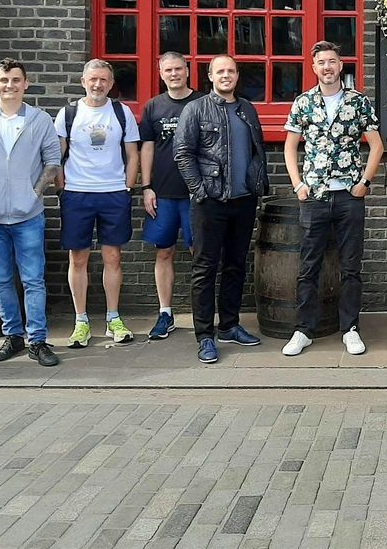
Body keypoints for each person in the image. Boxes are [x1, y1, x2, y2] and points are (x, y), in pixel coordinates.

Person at [281, 41, 384, 357]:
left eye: (332, 61)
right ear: (314, 68)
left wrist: (365, 182)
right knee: (308, 265)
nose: (327, 67)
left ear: (341, 65)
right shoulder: (303, 103)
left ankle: (350, 329)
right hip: (314, 196)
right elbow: (290, 146)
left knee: (350, 266)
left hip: (349, 196)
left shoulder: (358, 102)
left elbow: (376, 145)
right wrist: (298, 185)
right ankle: (303, 330)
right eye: (321, 62)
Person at [0, 58, 62, 367]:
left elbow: (53, 162)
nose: (10, 85)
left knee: (33, 280)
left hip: (28, 215)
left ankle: (38, 340)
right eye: (4, 80)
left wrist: (34, 194)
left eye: (16, 80)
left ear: (25, 84)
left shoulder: (40, 120)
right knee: (1, 279)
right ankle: (13, 336)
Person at [173, 55, 269, 364]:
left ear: (237, 76)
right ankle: (205, 335)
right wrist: (200, 190)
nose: (226, 75)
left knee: (235, 265)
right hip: (210, 202)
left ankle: (229, 325)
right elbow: (183, 153)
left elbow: (256, 152)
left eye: (231, 71)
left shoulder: (247, 109)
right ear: (210, 76)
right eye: (220, 71)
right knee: (205, 269)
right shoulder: (196, 109)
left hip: (243, 200)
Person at [55, 59, 141, 348]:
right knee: (78, 258)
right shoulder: (68, 113)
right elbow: (57, 156)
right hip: (77, 193)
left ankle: (113, 318)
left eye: (104, 79)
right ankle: (81, 321)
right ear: (83, 81)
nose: (98, 84)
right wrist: (61, 189)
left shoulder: (121, 112)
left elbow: (133, 153)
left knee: (113, 257)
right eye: (93, 79)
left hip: (113, 193)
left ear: (111, 83)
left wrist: (128, 188)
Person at [139, 51, 201, 341]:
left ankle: (202, 313)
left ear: (187, 70)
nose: (174, 74)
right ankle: (165, 313)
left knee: (199, 253)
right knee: (164, 252)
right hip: (162, 194)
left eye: (178, 69)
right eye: (168, 70)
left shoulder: (202, 102)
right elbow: (147, 147)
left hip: (195, 194)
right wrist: (146, 186)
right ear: (161, 74)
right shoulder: (153, 106)